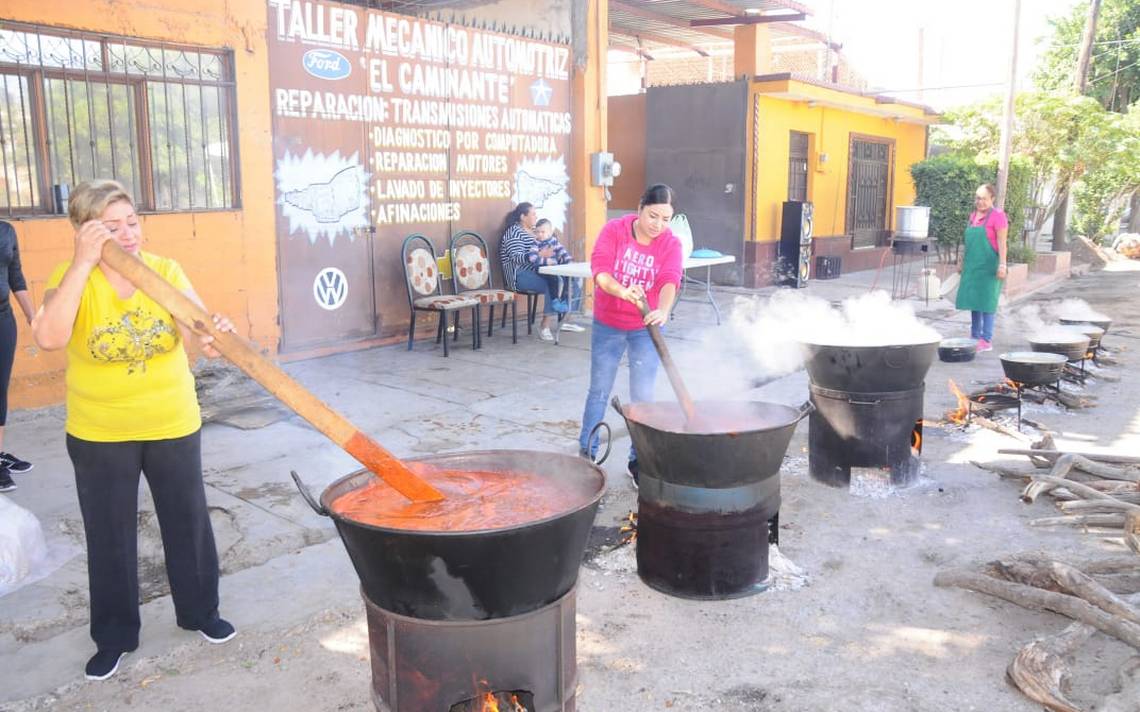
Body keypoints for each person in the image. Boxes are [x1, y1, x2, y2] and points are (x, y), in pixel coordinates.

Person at [31, 179, 237, 681]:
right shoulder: (69, 276)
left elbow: (194, 330)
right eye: (111, 226)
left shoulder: (163, 270)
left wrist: (211, 336)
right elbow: (50, 337)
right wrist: (83, 263)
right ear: (83, 231)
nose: (128, 235)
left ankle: (199, 613)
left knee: (188, 522)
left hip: (171, 421)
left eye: (133, 222)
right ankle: (115, 635)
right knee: (110, 536)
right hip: (99, 432)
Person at [578, 184, 682, 487]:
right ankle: (588, 456)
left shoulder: (670, 244)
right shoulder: (614, 231)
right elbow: (601, 271)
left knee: (643, 397)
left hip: (644, 328)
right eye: (653, 216)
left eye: (666, 219)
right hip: (608, 324)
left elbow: (669, 279)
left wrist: (662, 310)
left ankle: (638, 462)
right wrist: (623, 291)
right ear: (640, 208)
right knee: (598, 391)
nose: (658, 225)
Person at [0, 221, 36, 493]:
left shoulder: (6, 231)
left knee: (0, 389)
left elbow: (16, 276)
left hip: (3, 320)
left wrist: (32, 316)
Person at [500, 202, 568, 342]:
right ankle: (544, 326)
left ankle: (565, 320)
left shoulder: (535, 232)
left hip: (537, 271)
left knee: (567, 279)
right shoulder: (514, 232)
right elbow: (516, 258)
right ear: (523, 216)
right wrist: (540, 255)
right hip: (518, 276)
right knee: (553, 284)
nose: (536, 216)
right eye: (533, 214)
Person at [956, 183, 1008, 352]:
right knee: (975, 301)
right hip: (972, 265)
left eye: (984, 198)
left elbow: (1002, 242)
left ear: (992, 199)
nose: (980, 202)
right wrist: (961, 261)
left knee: (987, 302)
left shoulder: (998, 216)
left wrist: (1002, 264)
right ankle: (974, 336)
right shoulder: (973, 216)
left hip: (989, 266)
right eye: (978, 198)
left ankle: (986, 339)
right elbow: (966, 242)